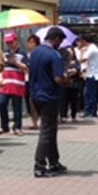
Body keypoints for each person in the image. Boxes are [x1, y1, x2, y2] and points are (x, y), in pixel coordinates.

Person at [29, 27, 69, 178]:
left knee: (51, 130)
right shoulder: (54, 55)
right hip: (49, 96)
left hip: (35, 95)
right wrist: (68, 81)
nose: (61, 44)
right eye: (61, 41)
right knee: (47, 132)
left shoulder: (35, 52)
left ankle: (54, 162)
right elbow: (58, 78)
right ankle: (39, 165)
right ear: (56, 38)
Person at [0, 32, 28, 134]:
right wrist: (0, 78)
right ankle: (4, 126)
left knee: (17, 106)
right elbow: (0, 67)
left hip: (17, 83)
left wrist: (16, 62)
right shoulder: (4, 53)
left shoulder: (22, 54)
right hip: (6, 83)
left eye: (11, 42)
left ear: (16, 41)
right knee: (2, 104)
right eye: (7, 42)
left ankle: (17, 127)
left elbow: (27, 68)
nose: (9, 44)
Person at [78, 36, 98, 118]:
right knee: (90, 94)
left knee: (90, 94)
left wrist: (81, 52)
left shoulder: (91, 49)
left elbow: (82, 60)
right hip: (93, 73)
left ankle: (91, 112)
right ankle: (90, 111)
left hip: (92, 74)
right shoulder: (94, 48)